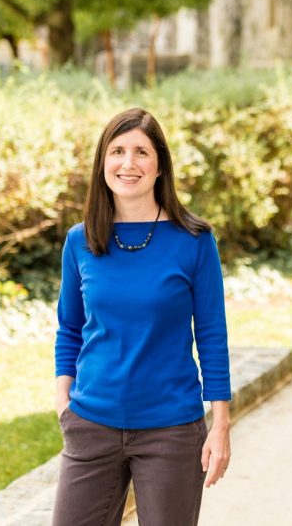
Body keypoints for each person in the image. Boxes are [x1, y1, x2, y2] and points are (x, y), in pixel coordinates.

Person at [52, 107, 232, 526]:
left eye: (141, 152)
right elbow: (70, 328)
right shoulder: (80, 241)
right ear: (102, 164)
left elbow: (211, 335)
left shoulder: (194, 241)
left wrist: (220, 422)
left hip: (170, 430)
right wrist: (63, 400)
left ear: (159, 167)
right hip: (90, 424)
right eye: (117, 151)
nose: (127, 163)